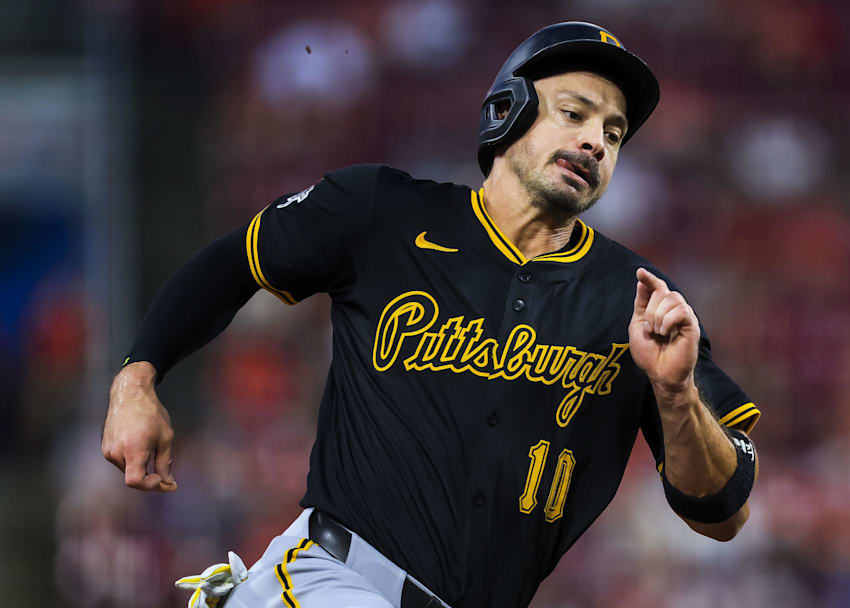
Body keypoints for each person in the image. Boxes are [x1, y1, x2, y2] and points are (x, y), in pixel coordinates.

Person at [102, 21, 762, 608]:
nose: (595, 141)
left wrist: (675, 394)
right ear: (508, 110)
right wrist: (138, 378)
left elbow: (723, 511)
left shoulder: (640, 299)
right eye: (575, 113)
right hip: (335, 580)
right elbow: (233, 265)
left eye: (613, 133)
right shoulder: (384, 211)